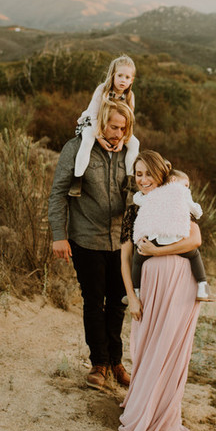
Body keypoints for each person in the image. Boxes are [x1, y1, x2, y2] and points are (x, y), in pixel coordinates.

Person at [49, 99, 134, 390]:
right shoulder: (76, 148)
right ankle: (99, 363)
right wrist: (58, 235)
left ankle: (116, 361)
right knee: (94, 302)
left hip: (122, 242)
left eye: (123, 129)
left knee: (118, 304)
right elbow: (58, 193)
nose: (118, 134)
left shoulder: (130, 154)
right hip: (86, 238)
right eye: (113, 127)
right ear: (100, 123)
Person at [119, 150, 202, 431]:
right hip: (149, 287)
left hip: (180, 282)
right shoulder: (134, 210)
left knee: (169, 346)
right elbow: (125, 257)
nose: (142, 180)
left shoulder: (175, 197)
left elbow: (194, 239)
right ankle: (142, 404)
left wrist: (157, 252)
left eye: (148, 174)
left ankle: (162, 414)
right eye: (138, 174)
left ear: (161, 174)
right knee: (145, 345)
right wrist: (131, 297)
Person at [129, 169, 213, 302]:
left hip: (154, 240)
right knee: (195, 255)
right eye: (186, 185)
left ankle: (136, 292)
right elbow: (196, 211)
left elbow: (138, 199)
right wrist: (195, 209)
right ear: (174, 180)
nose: (187, 188)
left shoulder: (154, 193)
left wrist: (140, 194)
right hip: (174, 239)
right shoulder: (182, 192)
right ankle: (203, 286)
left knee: (137, 260)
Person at [69, 55, 139, 197]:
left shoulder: (130, 96)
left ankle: (130, 180)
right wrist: (99, 137)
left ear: (131, 80)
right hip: (92, 123)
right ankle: (77, 179)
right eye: (120, 75)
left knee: (135, 143)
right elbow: (93, 116)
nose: (122, 80)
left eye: (127, 77)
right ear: (113, 75)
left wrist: (121, 140)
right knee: (88, 140)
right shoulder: (103, 90)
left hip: (115, 128)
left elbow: (129, 122)